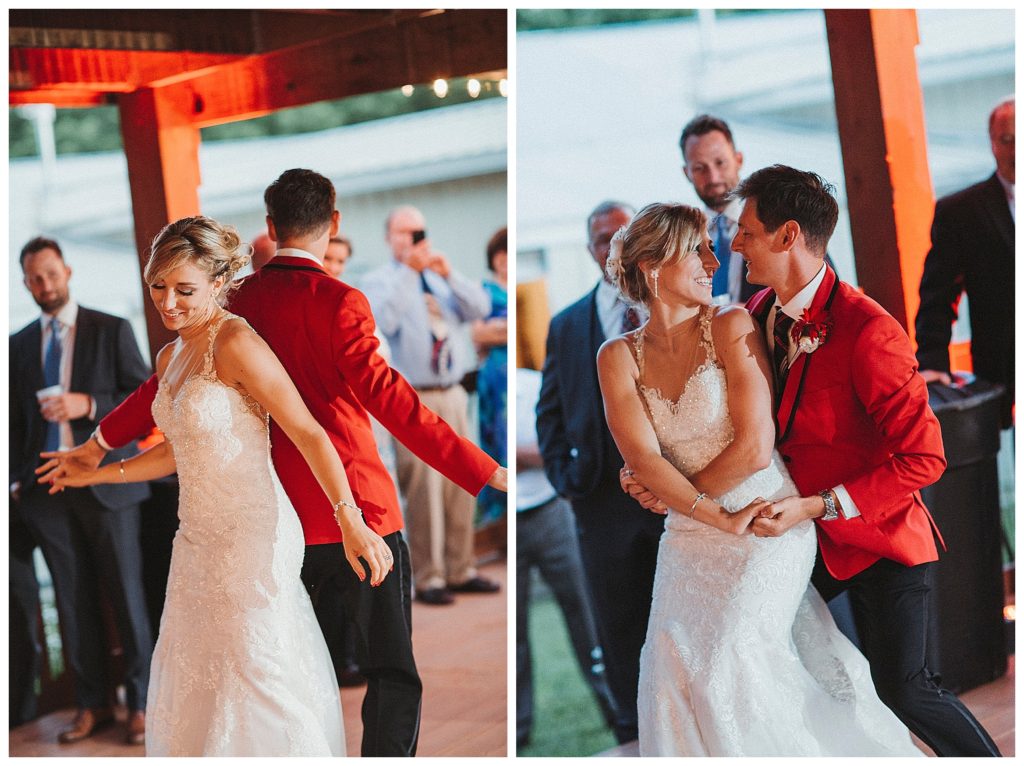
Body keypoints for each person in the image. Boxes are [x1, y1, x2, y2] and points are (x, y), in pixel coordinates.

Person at [40, 169, 506, 757]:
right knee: (383, 669)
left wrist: (100, 443)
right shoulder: (330, 301)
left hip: (275, 514)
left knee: (302, 664)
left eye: (178, 289)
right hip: (346, 509)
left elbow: (153, 398)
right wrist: (482, 470)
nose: (169, 302)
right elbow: (392, 401)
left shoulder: (241, 301)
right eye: (161, 289)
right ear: (332, 222)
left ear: (269, 226)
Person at [624, 166, 1002, 756]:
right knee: (754, 662)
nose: (734, 245)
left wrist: (819, 505)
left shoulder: (869, 330)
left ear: (788, 235)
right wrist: (651, 470)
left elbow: (924, 458)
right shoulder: (754, 313)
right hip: (786, 534)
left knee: (907, 690)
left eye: (746, 231)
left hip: (875, 536)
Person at [10, 236, 153, 745]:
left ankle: (139, 703)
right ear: (25, 282)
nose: (44, 285)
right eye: (33, 278)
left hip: (109, 486)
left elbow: (144, 398)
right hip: (47, 492)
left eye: (50, 274)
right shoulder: (18, 344)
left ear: (67, 271)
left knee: (126, 596)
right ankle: (93, 706)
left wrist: (87, 404)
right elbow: (13, 424)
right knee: (72, 603)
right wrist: (15, 483)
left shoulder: (110, 328)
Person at [536, 200, 664, 745]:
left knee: (677, 617)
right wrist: (571, 484)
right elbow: (550, 412)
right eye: (599, 239)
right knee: (617, 626)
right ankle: (633, 734)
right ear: (589, 249)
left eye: (620, 236)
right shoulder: (566, 325)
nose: (610, 248)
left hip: (673, 500)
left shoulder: (671, 308)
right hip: (600, 505)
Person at [362, 205, 501, 605]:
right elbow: (383, 322)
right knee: (423, 486)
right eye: (403, 232)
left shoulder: (440, 276)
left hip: (453, 389)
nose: (412, 240)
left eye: (418, 232)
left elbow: (479, 308)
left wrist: (447, 274)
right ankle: (430, 576)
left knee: (465, 477)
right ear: (389, 237)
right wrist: (409, 272)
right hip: (411, 393)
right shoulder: (380, 281)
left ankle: (461, 568)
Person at [516, 367, 618, 749]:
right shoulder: (489, 386)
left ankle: (612, 707)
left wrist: (522, 455)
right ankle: (520, 728)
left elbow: (563, 444)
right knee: (517, 634)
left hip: (549, 510)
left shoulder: (531, 383)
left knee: (584, 614)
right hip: (507, 515)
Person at [915, 96, 1015, 427]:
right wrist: (933, 362)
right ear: (992, 143)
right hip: (1005, 370)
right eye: (1007, 139)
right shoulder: (961, 212)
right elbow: (937, 295)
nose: (1017, 150)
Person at [679, 114, 763, 304]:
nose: (713, 177)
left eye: (720, 163)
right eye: (700, 168)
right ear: (687, 173)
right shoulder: (681, 240)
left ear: (738, 160)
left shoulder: (773, 221)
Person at [473, 227, 509, 523]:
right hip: (494, 380)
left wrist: (499, 329)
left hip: (514, 376)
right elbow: (477, 333)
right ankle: (496, 514)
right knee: (494, 438)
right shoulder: (484, 291)